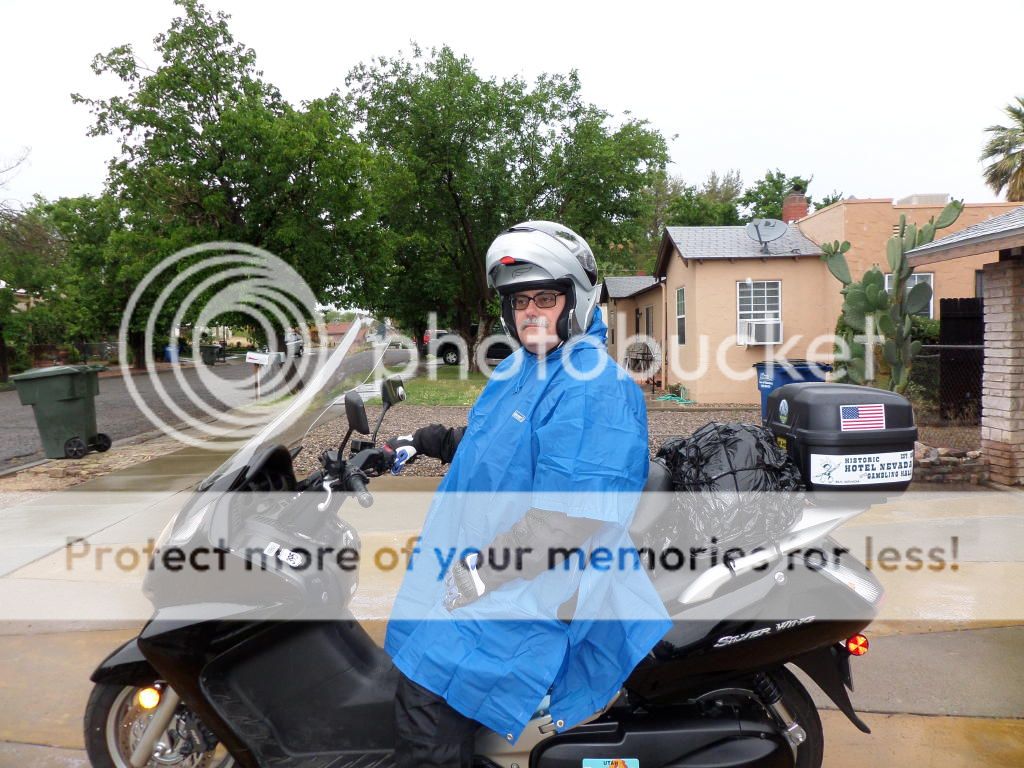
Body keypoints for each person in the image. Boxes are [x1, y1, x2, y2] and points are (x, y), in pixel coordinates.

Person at [383, 221, 670, 768]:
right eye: (519, 301)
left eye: (545, 297)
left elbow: (567, 521)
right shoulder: (525, 368)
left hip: (534, 590)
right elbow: (502, 445)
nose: (531, 311)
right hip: (489, 569)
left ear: (576, 300)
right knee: (413, 656)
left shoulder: (593, 388)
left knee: (427, 707)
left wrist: (480, 574)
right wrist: (425, 441)